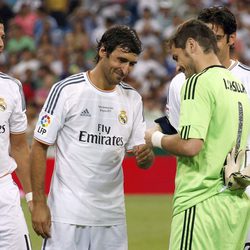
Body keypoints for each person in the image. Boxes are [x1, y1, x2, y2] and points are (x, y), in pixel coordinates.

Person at [30, 25, 154, 250]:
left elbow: (142, 158)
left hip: (111, 219)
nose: (125, 69)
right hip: (66, 216)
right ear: (103, 51)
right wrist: (38, 203)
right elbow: (39, 146)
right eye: (121, 60)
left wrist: (146, 156)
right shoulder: (66, 90)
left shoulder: (133, 99)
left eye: (131, 63)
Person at [145, 19, 250, 249]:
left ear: (191, 45)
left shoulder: (196, 83)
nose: (177, 67)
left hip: (200, 204)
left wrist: (153, 138)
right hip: (233, 207)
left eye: (177, 57)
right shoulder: (237, 86)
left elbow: (190, 145)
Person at [0, 18, 32, 249]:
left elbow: (20, 146)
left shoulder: (12, 87)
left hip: (4, 190)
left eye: (2, 37)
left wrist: (31, 196)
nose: (1, 44)